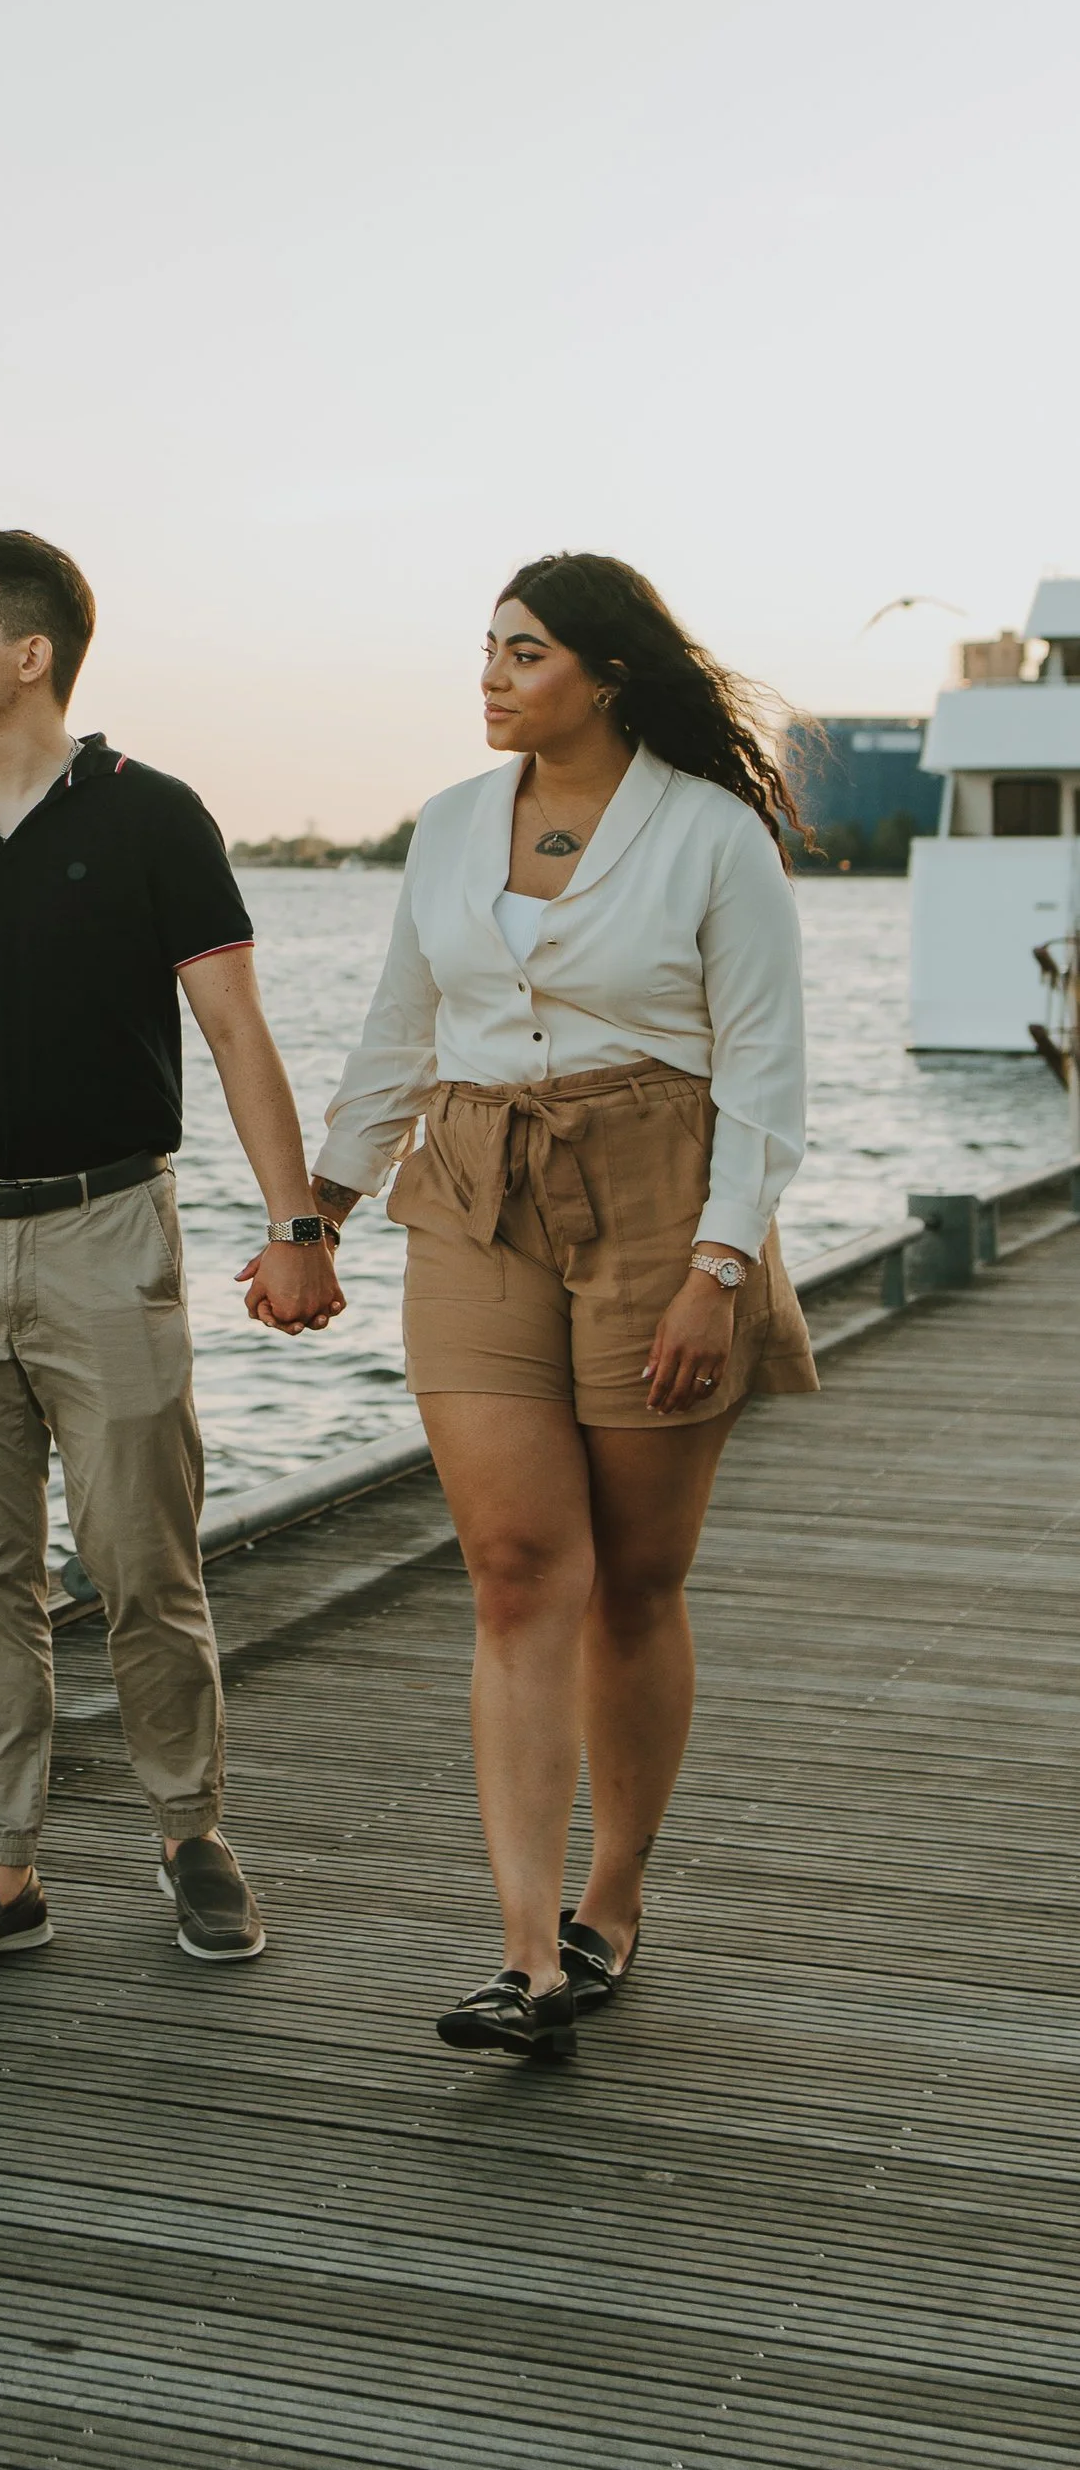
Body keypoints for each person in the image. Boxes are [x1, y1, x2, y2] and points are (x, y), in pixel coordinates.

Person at [0, 530, 345, 1981]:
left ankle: (189, 1836)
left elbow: (235, 1032)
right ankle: (5, 1871)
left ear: (29, 656)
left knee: (144, 1563)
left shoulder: (153, 816)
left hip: (109, 1228)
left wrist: (298, 1228)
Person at [309, 553, 812, 2063]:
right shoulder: (454, 827)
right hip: (472, 1192)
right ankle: (528, 1958)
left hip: (665, 1203)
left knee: (638, 1582)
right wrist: (315, 1209)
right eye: (485, 648)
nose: (490, 674)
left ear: (602, 673)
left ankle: (614, 1894)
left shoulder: (716, 837)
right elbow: (404, 1025)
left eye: (522, 653)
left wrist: (719, 1269)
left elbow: (768, 1076)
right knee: (522, 1569)